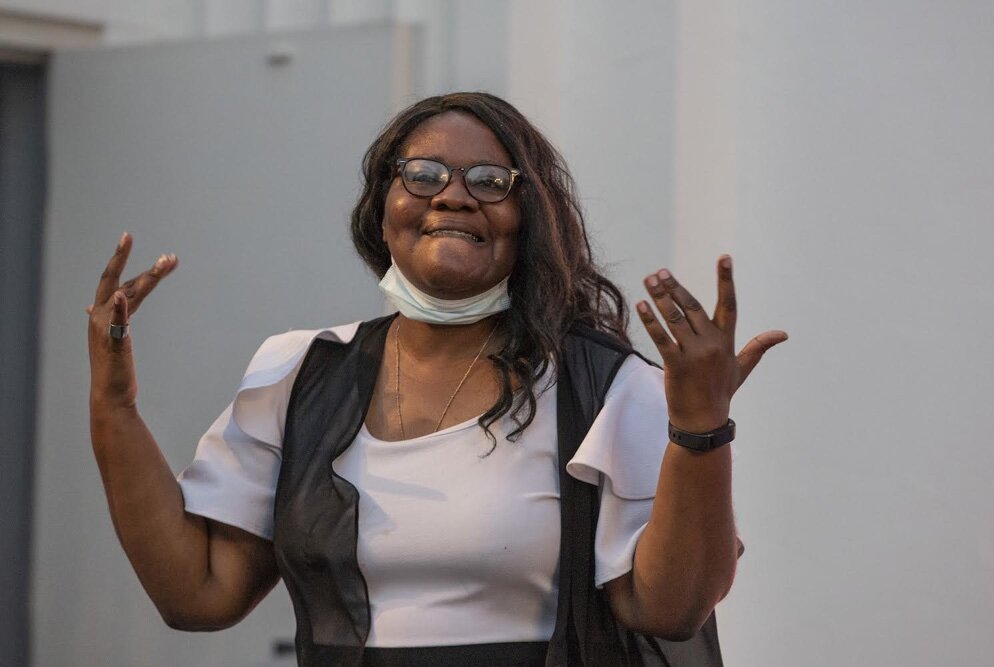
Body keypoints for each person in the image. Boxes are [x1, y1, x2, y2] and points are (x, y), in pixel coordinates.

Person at [87, 92, 786, 666]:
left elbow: (669, 608)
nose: (453, 195)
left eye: (490, 182)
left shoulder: (603, 386)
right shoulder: (298, 372)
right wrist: (114, 407)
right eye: (422, 174)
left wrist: (700, 426)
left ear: (529, 221)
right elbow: (197, 593)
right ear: (381, 209)